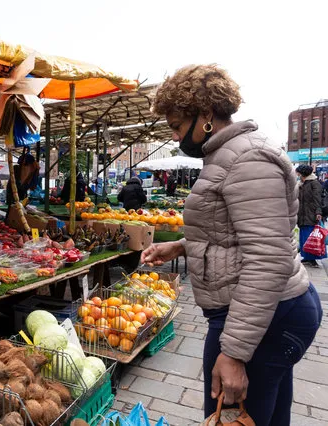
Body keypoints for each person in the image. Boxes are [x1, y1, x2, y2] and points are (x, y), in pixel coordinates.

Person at [140, 64, 322, 425]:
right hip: (260, 313)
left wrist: (235, 353)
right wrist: (180, 246)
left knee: (231, 418)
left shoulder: (247, 159)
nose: (176, 138)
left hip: (262, 317)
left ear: (205, 114)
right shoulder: (230, 155)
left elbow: (266, 260)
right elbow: (232, 234)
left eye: (177, 126)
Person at [296, 164, 324, 267]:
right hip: (303, 215)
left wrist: (318, 212)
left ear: (302, 173)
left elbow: (317, 199)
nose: (297, 175)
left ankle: (313, 259)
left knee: (311, 237)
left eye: (298, 173)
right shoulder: (301, 184)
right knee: (304, 237)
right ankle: (307, 257)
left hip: (311, 215)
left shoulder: (314, 183)